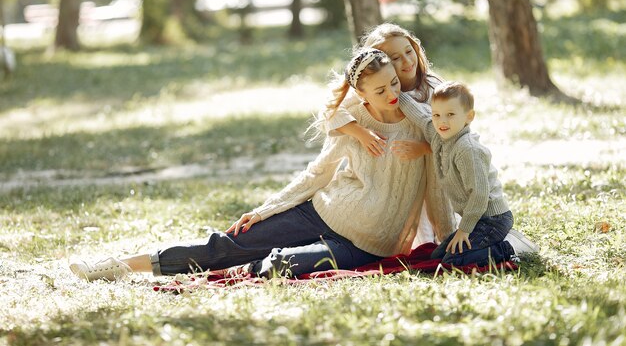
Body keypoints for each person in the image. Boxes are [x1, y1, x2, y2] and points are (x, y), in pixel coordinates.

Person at [70, 48, 443, 282]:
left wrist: (449, 232)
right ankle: (120, 265)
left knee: (278, 266)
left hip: (367, 244)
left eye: (395, 84)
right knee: (229, 243)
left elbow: (446, 170)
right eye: (380, 90)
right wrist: (265, 210)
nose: (393, 94)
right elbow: (318, 173)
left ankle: (247, 265)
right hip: (321, 212)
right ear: (360, 95)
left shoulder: (422, 124)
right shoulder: (351, 121)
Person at [322, 23, 456, 244]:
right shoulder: (377, 87)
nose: (407, 61)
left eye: (408, 51)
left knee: (437, 204)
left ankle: (443, 235)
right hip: (395, 176)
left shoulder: (433, 87)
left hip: (436, 167)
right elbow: (331, 111)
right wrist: (359, 131)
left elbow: (453, 136)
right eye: (395, 58)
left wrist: (423, 148)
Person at [398, 81, 538, 266]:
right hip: (476, 218)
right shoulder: (438, 134)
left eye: (450, 115)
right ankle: (483, 245)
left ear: (469, 116)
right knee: (437, 257)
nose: (442, 121)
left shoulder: (467, 149)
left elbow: (480, 195)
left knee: (455, 261)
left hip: (492, 219)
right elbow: (418, 114)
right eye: (437, 115)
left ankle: (509, 247)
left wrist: (463, 230)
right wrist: (393, 92)